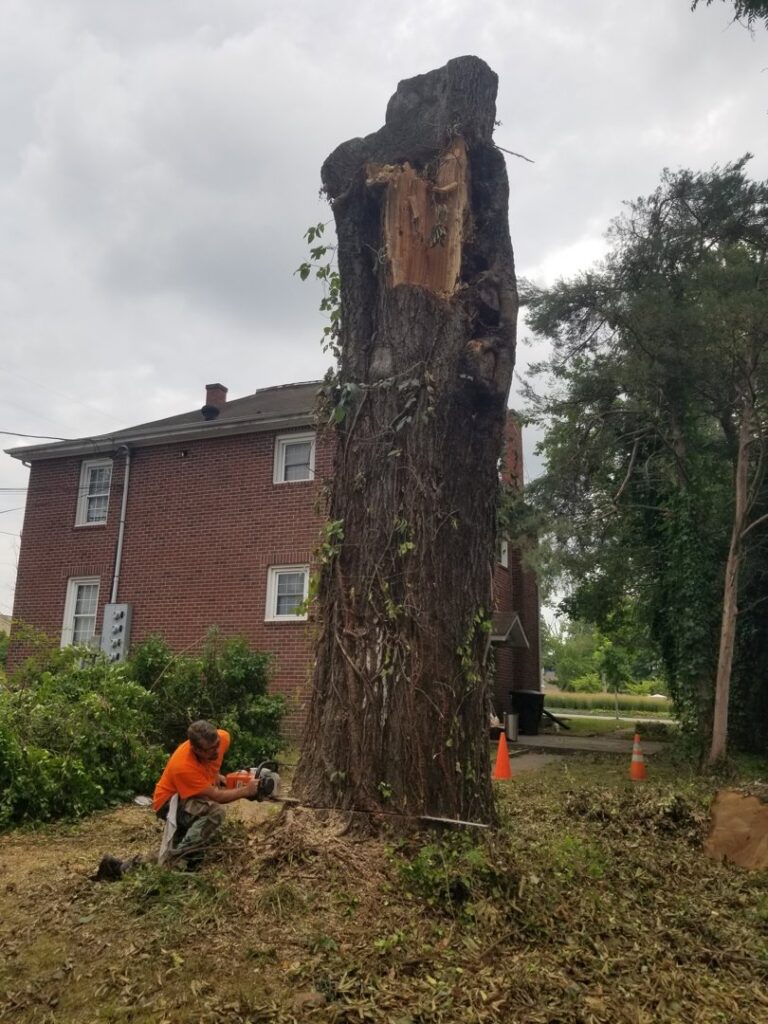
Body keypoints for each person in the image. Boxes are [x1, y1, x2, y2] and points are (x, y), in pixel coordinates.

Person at [152, 720, 261, 866]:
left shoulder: (223, 738)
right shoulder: (183, 766)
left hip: (188, 795)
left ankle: (121, 867)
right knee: (214, 812)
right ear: (196, 749)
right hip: (169, 803)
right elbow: (216, 796)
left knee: (181, 853)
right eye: (211, 749)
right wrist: (245, 791)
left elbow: (210, 767)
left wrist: (216, 776)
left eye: (217, 745)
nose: (217, 751)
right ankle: (179, 860)